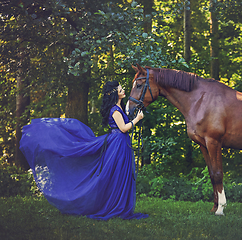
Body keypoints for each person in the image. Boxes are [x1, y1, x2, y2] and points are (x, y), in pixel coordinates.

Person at [20, 81, 148, 220]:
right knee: (117, 173)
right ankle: (114, 206)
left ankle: (120, 205)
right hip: (117, 144)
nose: (123, 90)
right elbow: (123, 128)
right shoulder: (115, 110)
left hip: (121, 143)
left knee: (122, 173)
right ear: (113, 93)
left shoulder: (119, 107)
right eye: (120, 89)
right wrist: (137, 119)